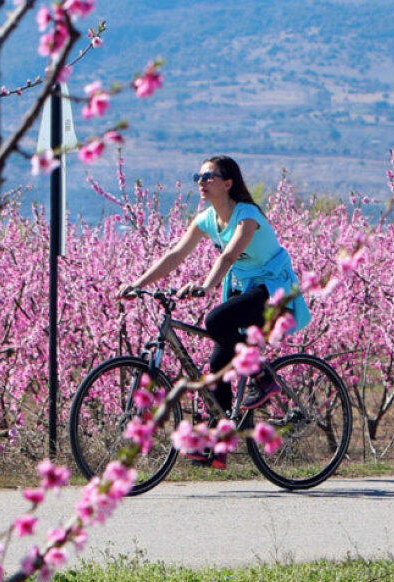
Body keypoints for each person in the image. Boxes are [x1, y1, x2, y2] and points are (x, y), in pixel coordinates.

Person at [117, 156, 310, 468]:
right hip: (243, 289)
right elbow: (176, 254)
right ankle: (218, 444)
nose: (201, 182)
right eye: (199, 177)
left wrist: (206, 286)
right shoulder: (206, 219)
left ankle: (262, 377)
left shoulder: (247, 216)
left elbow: (230, 255)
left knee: (216, 319)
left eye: (209, 176)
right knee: (217, 365)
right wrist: (137, 284)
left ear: (228, 183)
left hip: (273, 288)